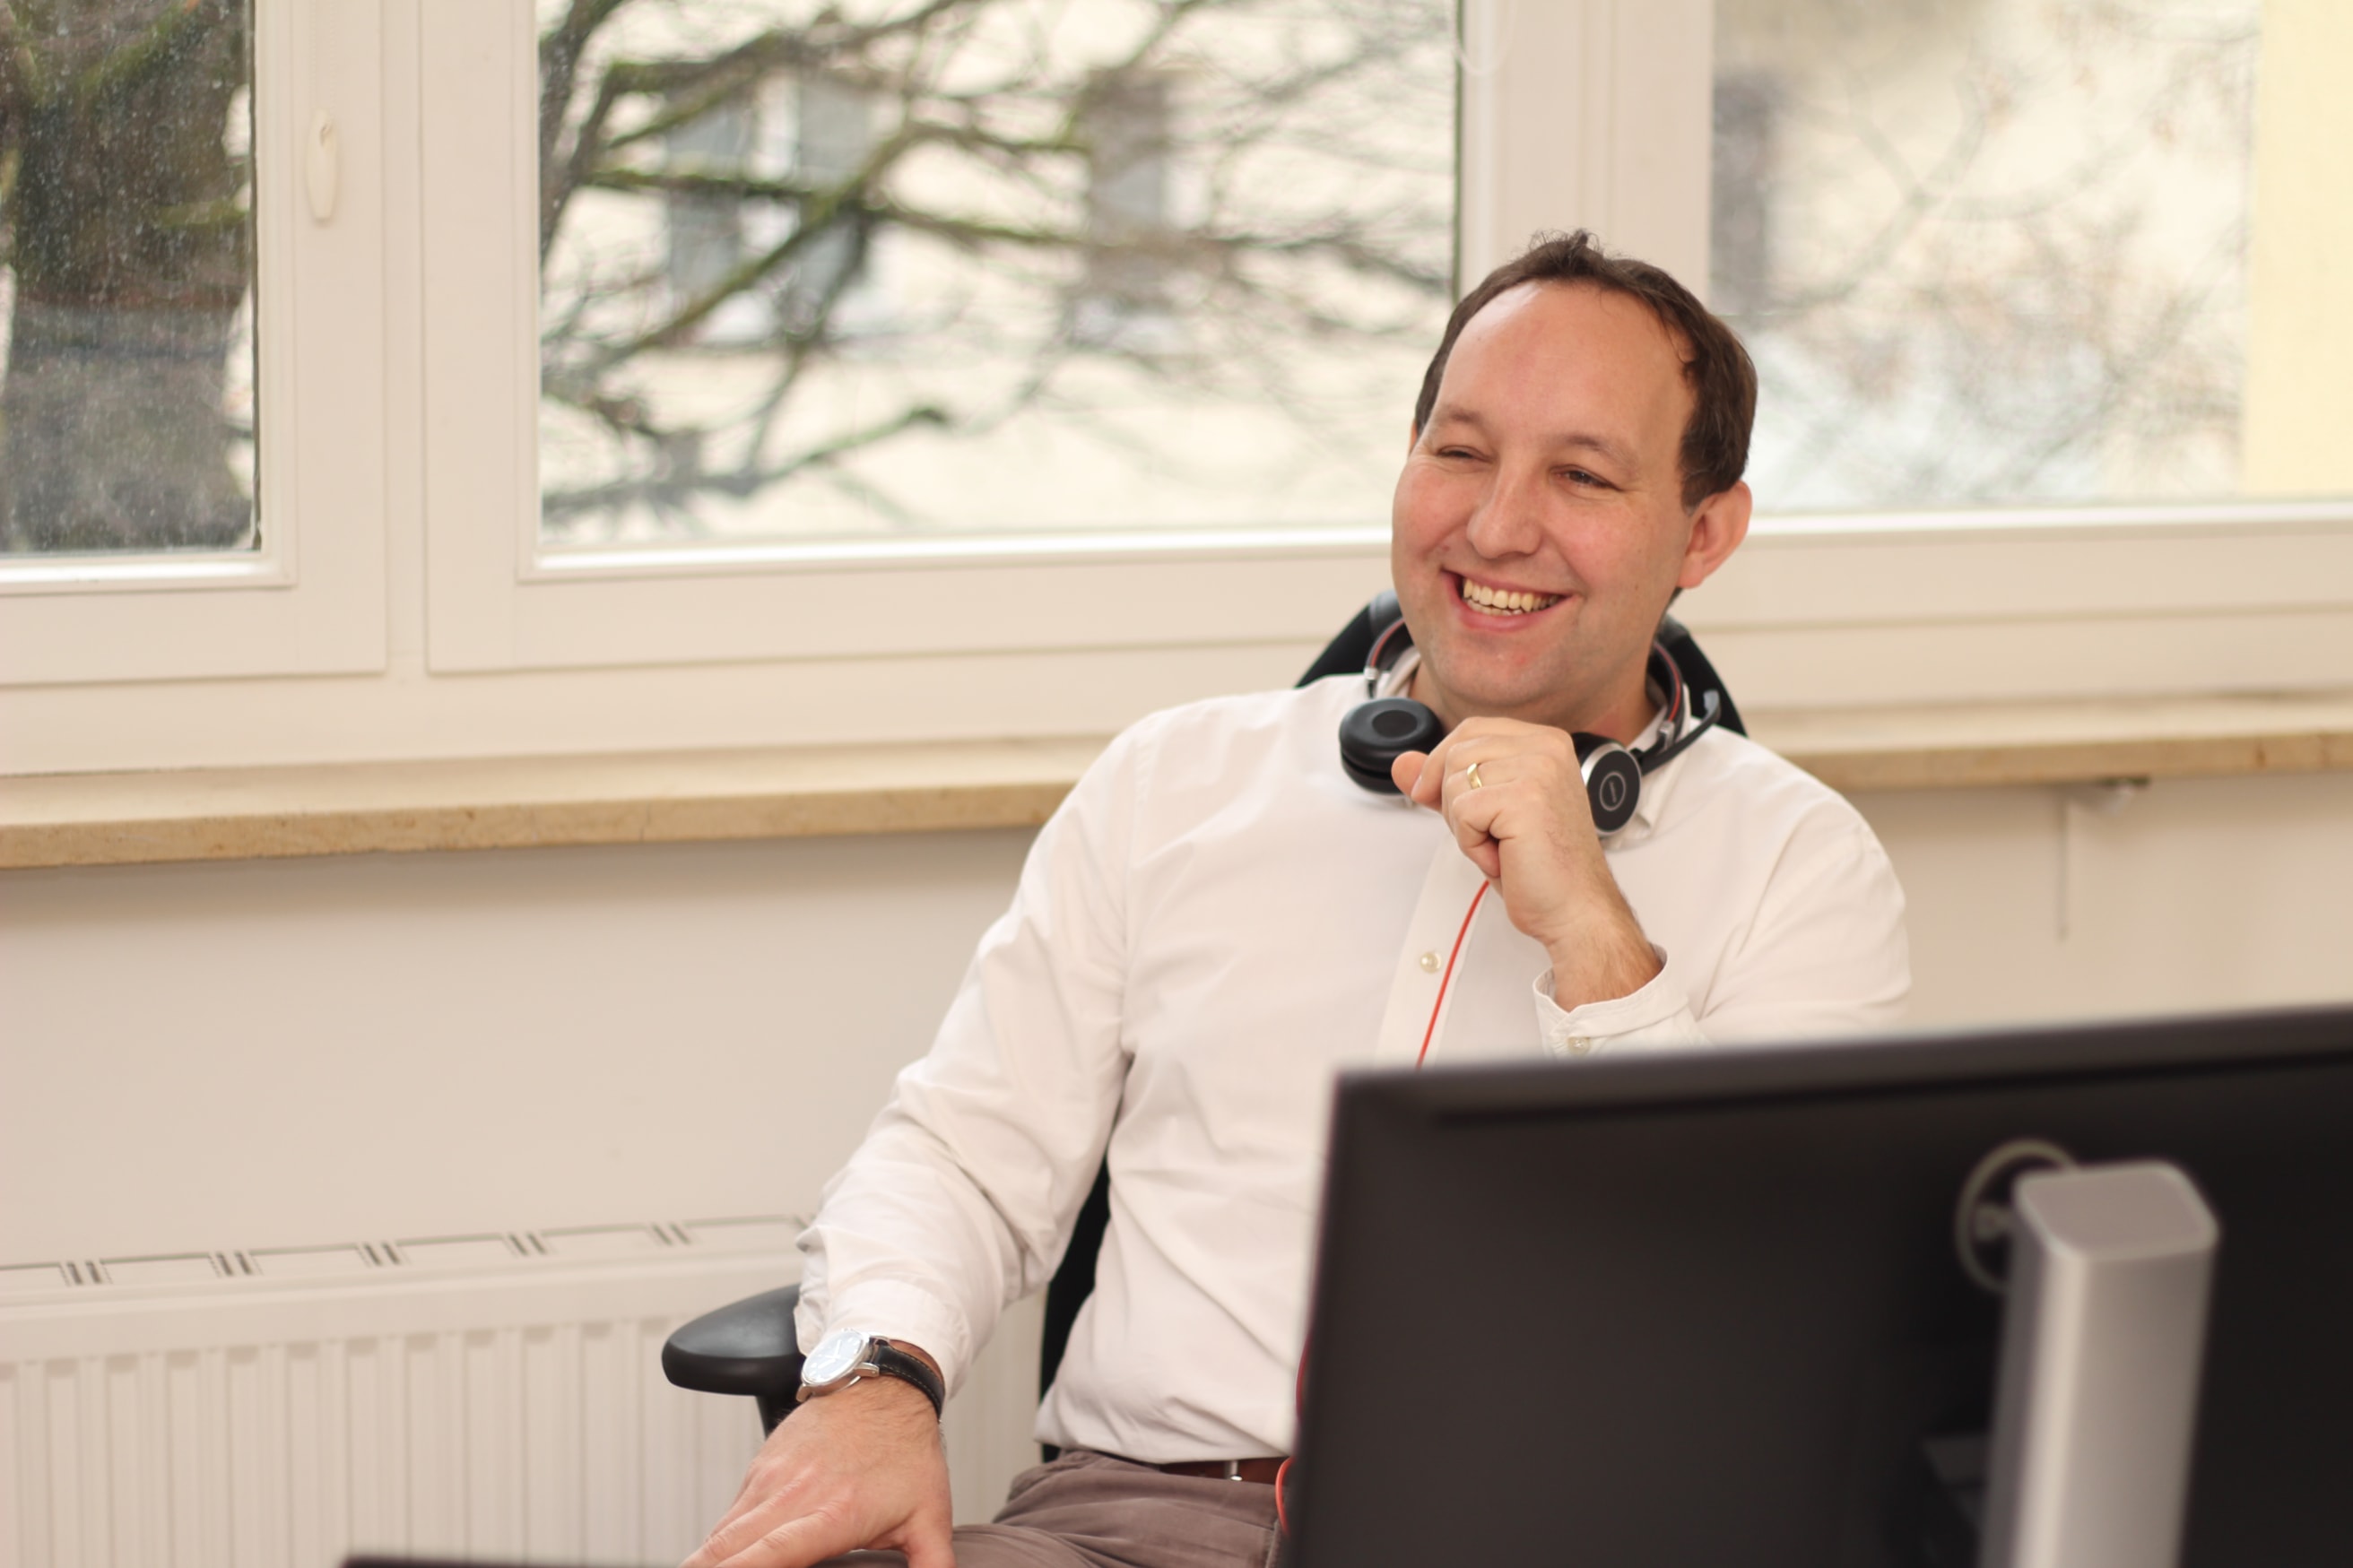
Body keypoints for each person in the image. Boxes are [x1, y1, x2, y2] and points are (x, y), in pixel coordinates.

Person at [684, 231, 1911, 1568]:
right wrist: (870, 1382)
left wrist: (1595, 941)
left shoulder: (1804, 863)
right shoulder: (1174, 780)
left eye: (1582, 474)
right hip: (1127, 1529)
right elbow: (961, 1157)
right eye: (1460, 451)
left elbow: (1777, 1308)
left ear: (1706, 530)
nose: (1497, 526)